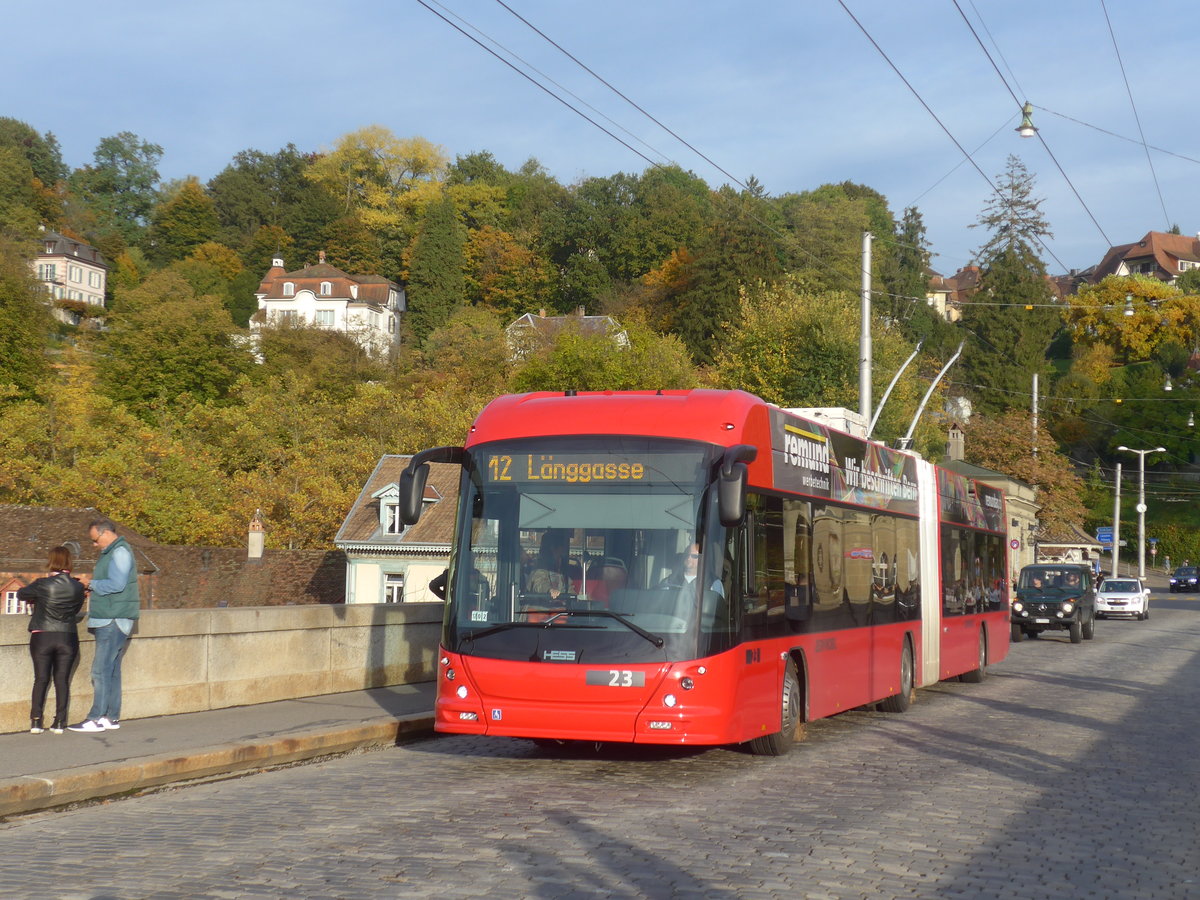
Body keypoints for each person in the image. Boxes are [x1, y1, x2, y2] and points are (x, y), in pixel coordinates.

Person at [69, 518, 140, 733]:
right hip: (116, 616)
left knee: (100, 670)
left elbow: (117, 584)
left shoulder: (119, 552)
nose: (94, 545)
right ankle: (110, 717)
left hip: (112, 618)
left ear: (106, 533)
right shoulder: (116, 551)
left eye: (95, 540)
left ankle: (96, 717)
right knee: (112, 670)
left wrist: (90, 583)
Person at [18, 546, 87, 734]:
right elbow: (75, 609)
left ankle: (36, 721)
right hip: (67, 636)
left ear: (51, 561)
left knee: (40, 679)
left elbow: (21, 594)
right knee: (62, 680)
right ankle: (59, 722)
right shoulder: (78, 587)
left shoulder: (42, 584)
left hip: (43, 635)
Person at [528, 529, 571, 599]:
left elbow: (569, 588)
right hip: (539, 607)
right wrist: (550, 590)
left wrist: (576, 597)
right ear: (552, 548)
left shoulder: (562, 570)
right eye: (560, 554)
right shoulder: (540, 567)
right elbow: (539, 583)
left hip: (559, 607)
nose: (561, 558)